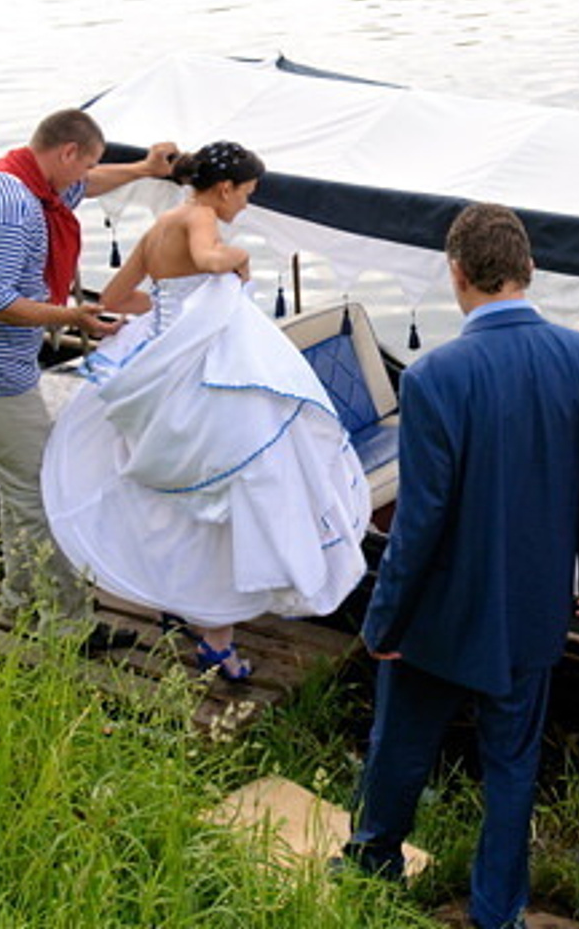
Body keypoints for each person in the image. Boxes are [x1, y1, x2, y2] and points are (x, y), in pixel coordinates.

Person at [342, 202, 579, 929]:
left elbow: (421, 521)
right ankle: (499, 913)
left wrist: (384, 619)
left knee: (401, 745)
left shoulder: (435, 375)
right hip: (531, 608)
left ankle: (374, 862)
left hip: (439, 613)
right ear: (529, 271)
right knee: (512, 766)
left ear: (458, 274)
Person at [41, 140, 371, 681]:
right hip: (205, 377)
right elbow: (211, 258)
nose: (244, 204)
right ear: (223, 189)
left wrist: (176, 310)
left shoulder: (159, 226)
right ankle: (218, 636)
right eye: (245, 194)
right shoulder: (200, 218)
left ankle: (187, 606)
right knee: (231, 492)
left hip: (162, 375)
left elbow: (121, 299)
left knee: (176, 501)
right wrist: (238, 260)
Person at [0, 108, 176, 651]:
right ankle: (67, 625)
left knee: (19, 487)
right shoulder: (12, 206)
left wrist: (143, 168)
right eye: (85, 163)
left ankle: (19, 601)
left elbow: (86, 185)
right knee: (44, 491)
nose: (86, 177)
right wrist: (76, 316)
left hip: (2, 364)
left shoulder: (29, 178)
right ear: (66, 152)